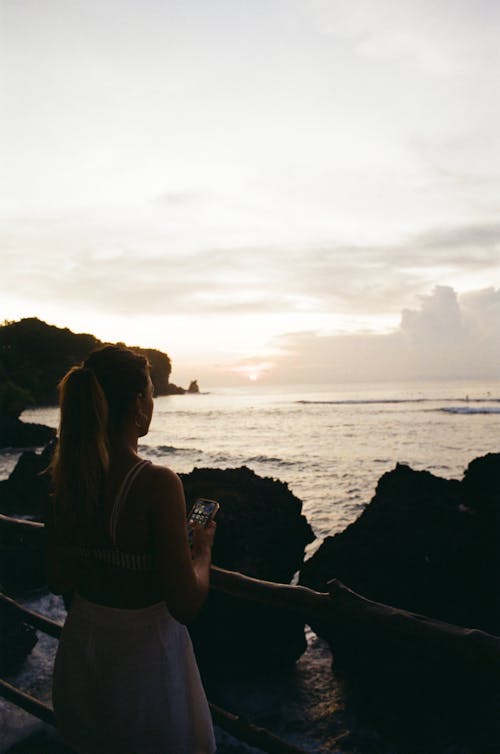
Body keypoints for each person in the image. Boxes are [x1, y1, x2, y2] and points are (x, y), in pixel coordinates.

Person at [45, 345, 216, 754]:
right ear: (139, 403)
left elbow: (56, 578)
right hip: (143, 660)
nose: (152, 403)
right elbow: (186, 603)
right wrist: (202, 552)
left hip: (84, 647)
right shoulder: (156, 482)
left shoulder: (65, 477)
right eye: (152, 394)